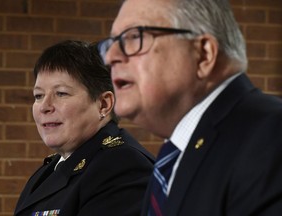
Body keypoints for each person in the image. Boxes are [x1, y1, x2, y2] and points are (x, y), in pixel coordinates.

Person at [98, 0, 282, 215]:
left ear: (203, 54)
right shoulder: (174, 156)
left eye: (135, 37)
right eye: (111, 43)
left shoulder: (271, 135)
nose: (110, 57)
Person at [14, 40, 155, 216]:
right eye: (38, 95)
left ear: (103, 104)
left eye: (61, 93)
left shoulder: (123, 167)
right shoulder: (49, 170)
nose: (44, 106)